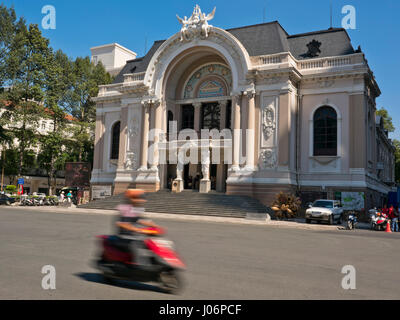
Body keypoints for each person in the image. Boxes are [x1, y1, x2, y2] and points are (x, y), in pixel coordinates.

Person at [115, 189, 161, 265]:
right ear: (130, 199)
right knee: (136, 245)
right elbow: (121, 223)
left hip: (134, 235)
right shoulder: (124, 208)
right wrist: (135, 229)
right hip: (124, 236)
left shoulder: (137, 209)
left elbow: (141, 220)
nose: (141, 200)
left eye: (141, 198)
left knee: (150, 243)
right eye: (137, 198)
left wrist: (155, 226)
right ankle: (138, 266)